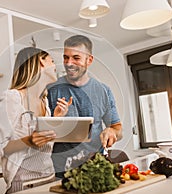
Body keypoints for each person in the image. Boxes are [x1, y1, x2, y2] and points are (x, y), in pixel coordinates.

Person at [0, 47, 72, 194]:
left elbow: (44, 142)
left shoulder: (44, 101)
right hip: (25, 182)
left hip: (49, 177)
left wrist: (56, 118)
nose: (55, 66)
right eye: (52, 61)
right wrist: (29, 141)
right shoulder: (12, 98)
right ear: (41, 62)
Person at [47, 35, 122, 178]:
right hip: (60, 170)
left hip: (96, 166)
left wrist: (112, 132)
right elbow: (42, 132)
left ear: (89, 60)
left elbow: (117, 127)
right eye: (65, 57)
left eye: (76, 58)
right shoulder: (51, 89)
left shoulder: (104, 91)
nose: (69, 63)